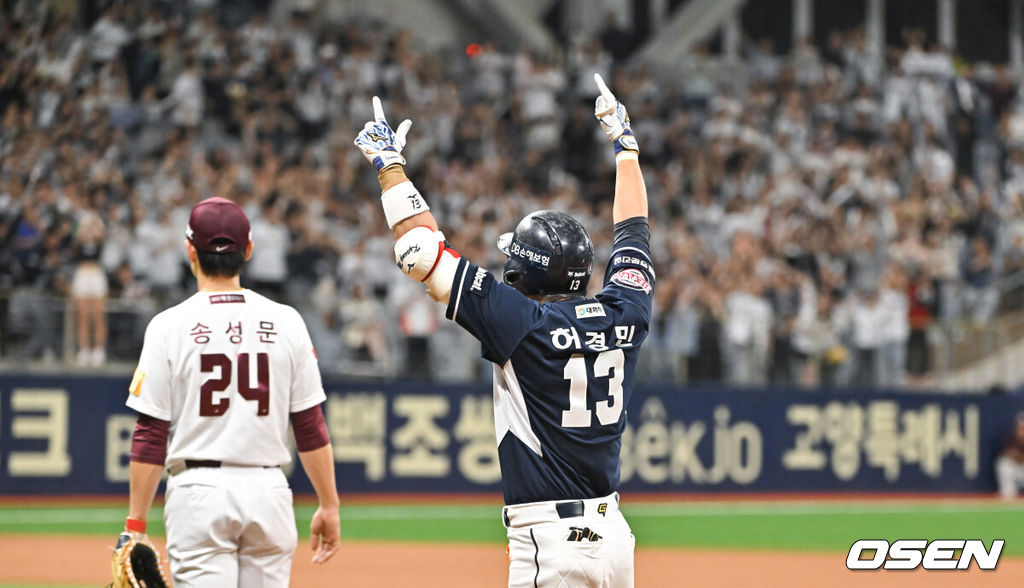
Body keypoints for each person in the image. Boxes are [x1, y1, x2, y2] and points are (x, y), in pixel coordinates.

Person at [354, 73, 653, 587]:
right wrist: (626, 149)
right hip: (614, 537)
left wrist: (388, 165)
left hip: (552, 545)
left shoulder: (521, 323)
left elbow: (419, 250)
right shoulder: (627, 310)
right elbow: (634, 228)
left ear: (523, 274)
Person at [121, 197, 340, 587]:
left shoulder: (168, 326)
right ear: (249, 250)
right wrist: (329, 503)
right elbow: (309, 425)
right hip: (268, 490)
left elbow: (150, 434)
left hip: (198, 493)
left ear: (190, 249)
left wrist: (136, 524)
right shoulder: (286, 321)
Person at [996, 412, 1024, 500]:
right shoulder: (1011, 439)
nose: (1022, 431)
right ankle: (1008, 497)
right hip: (1015, 468)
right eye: (1021, 428)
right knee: (1004, 465)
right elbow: (1007, 454)